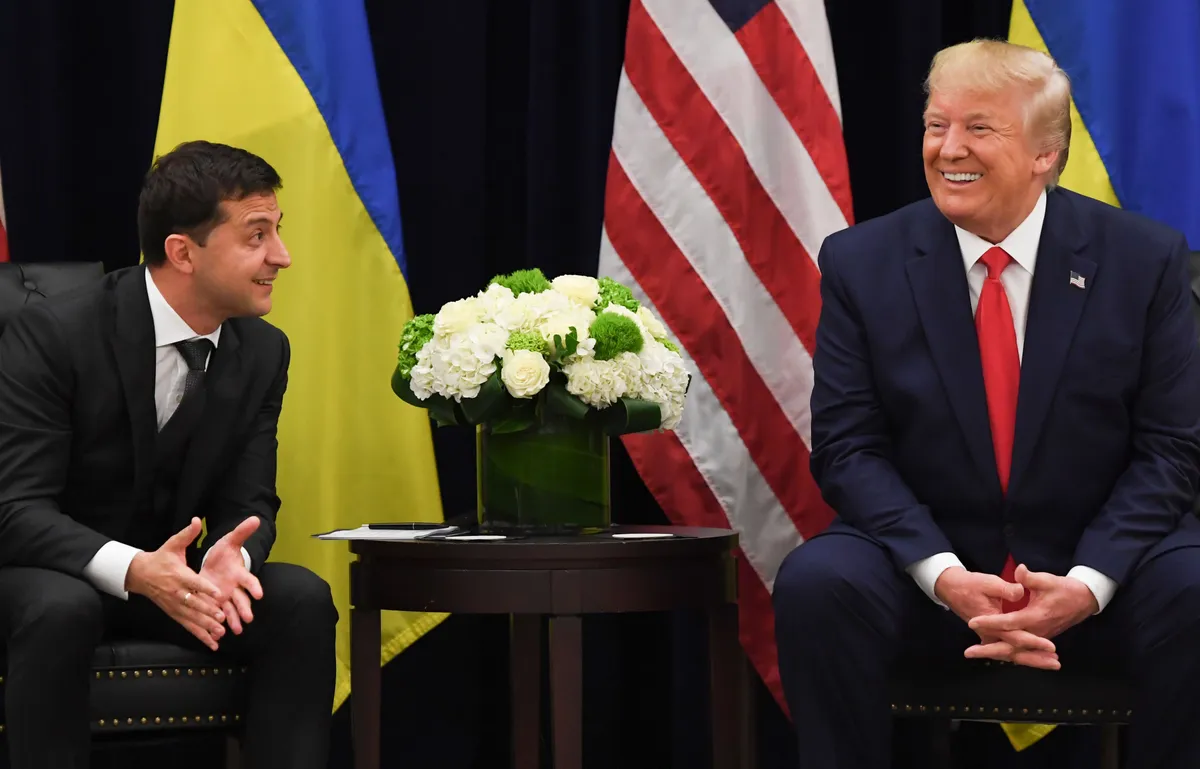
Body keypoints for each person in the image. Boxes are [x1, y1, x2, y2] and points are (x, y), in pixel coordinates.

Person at [772, 39, 1200, 769]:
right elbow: (848, 447)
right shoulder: (861, 261)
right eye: (937, 126)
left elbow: (1172, 449)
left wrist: (1087, 583)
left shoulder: (1144, 260)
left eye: (979, 128)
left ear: (1046, 154)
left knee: (1194, 586)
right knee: (819, 583)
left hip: (1096, 572)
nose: (949, 149)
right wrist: (940, 572)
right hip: (928, 569)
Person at [0, 140, 337, 769]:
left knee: (297, 599)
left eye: (277, 232)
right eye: (256, 235)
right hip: (52, 573)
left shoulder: (263, 351)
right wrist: (135, 569)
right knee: (60, 608)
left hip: (175, 579)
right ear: (183, 251)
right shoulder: (55, 333)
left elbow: (249, 498)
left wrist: (229, 557)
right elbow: (15, 508)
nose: (281, 258)